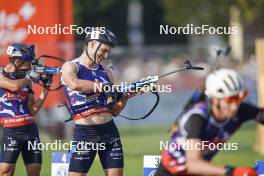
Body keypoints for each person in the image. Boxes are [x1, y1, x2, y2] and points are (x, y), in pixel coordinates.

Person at [155, 69, 263, 176]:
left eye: (238, 100)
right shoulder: (197, 117)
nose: (234, 107)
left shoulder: (239, 110)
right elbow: (193, 164)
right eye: (229, 100)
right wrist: (233, 171)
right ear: (215, 99)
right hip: (172, 172)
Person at [61, 28, 129, 176]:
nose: (105, 56)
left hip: (110, 132)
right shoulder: (71, 66)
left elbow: (114, 110)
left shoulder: (107, 72)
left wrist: (126, 97)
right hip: (85, 133)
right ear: (91, 44)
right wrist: (103, 87)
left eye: (108, 53)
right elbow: (74, 84)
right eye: (103, 50)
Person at [0, 43, 52, 176]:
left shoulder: (26, 80)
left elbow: (32, 110)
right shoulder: (1, 73)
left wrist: (46, 89)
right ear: (17, 60)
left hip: (30, 130)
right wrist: (31, 76)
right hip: (11, 131)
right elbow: (13, 86)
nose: (29, 67)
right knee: (6, 172)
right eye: (28, 63)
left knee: (34, 172)